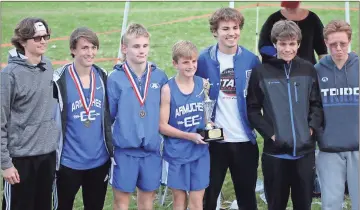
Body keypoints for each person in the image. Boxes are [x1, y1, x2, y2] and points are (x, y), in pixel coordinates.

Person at [246, 20, 324, 210]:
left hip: (305, 154)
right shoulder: (261, 72)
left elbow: (316, 104)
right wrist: (271, 133)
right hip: (275, 155)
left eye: (292, 44)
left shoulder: (308, 69)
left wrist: (311, 128)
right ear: (275, 44)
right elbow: (253, 109)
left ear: (298, 44)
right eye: (282, 44)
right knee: (275, 204)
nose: (287, 49)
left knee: (303, 205)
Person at [196, 7, 261, 210]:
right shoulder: (203, 59)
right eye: (225, 28)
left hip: (244, 139)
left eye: (235, 27)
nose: (231, 33)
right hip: (215, 139)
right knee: (209, 194)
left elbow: (257, 99)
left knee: (246, 196)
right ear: (215, 31)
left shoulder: (251, 60)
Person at [107, 23, 168, 210]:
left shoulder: (159, 76)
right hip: (125, 151)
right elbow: (108, 117)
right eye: (136, 46)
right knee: (121, 201)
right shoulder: (115, 79)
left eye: (145, 46)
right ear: (124, 48)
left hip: (151, 150)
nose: (141, 51)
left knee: (147, 200)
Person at [1, 17, 60, 210]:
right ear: (23, 41)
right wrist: (6, 164)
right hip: (21, 160)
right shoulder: (9, 74)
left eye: (46, 36)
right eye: (37, 38)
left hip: (47, 156)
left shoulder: (48, 66)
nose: (43, 41)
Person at [52, 27, 114, 210]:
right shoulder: (59, 80)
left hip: (99, 161)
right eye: (85, 48)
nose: (90, 52)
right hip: (68, 163)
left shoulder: (103, 77)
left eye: (93, 47)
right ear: (73, 50)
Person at [159, 40, 209, 210]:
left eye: (193, 61)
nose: (190, 66)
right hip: (177, 153)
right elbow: (162, 126)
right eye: (185, 62)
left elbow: (207, 117)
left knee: (197, 201)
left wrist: (210, 127)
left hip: (200, 152)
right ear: (175, 63)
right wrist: (189, 136)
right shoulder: (168, 89)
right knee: (179, 200)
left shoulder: (203, 84)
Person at [314, 20, 359, 210]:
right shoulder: (316, 71)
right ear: (325, 43)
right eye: (333, 44)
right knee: (331, 203)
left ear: (350, 40)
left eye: (343, 43)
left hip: (358, 147)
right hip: (329, 149)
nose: (338, 48)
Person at [258, 1, 327, 64]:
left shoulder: (313, 19)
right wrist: (282, 55)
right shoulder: (273, 19)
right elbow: (263, 46)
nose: (288, 8)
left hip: (306, 71)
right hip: (279, 70)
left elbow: (322, 50)